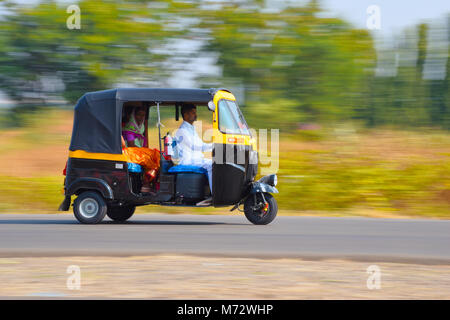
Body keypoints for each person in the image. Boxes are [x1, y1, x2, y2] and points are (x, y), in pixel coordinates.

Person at [175, 103, 213, 206]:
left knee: (216, 163)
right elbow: (195, 146)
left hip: (196, 159)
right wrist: (213, 146)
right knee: (212, 165)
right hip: (188, 161)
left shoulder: (191, 129)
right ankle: (214, 195)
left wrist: (214, 145)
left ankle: (211, 193)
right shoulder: (183, 131)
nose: (195, 115)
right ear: (186, 115)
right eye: (193, 113)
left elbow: (201, 145)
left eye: (195, 112)